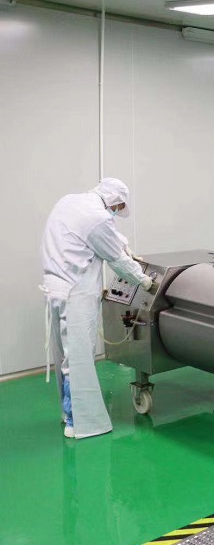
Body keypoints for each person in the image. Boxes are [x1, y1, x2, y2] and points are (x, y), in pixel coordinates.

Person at [40, 178, 153, 439]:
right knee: (78, 359)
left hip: (55, 289)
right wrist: (144, 280)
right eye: (118, 207)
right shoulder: (98, 217)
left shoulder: (70, 201)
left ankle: (68, 413)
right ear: (113, 200)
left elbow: (101, 235)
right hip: (75, 293)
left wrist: (125, 247)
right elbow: (116, 259)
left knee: (65, 355)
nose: (116, 212)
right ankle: (80, 423)